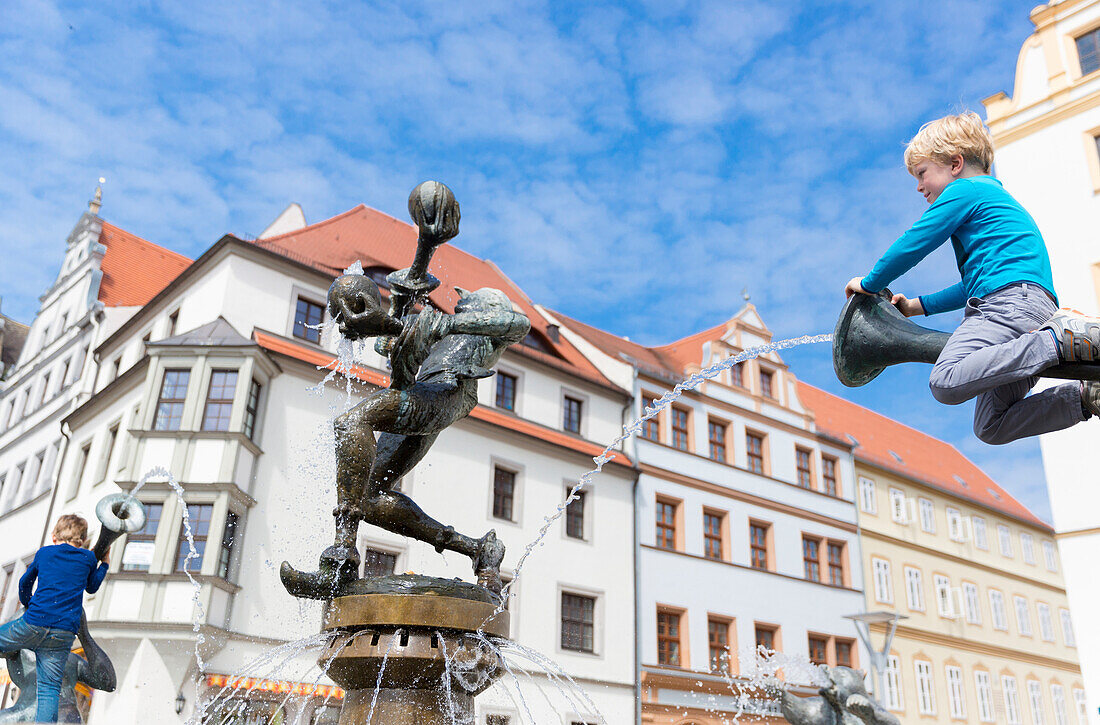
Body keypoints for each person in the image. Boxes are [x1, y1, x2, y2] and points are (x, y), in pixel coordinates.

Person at [845, 111, 1100, 445]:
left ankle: (1057, 341)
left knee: (946, 379)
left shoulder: (966, 191)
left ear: (955, 164)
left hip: (1009, 304)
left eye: (922, 173)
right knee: (990, 427)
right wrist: (917, 306)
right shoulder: (990, 201)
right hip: (1024, 303)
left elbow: (915, 242)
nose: (919, 186)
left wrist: (870, 283)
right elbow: (974, 284)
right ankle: (1087, 396)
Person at [0, 514, 108, 722]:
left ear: (54, 536)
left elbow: (24, 582)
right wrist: (104, 563)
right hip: (63, 633)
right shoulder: (87, 559)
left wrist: (28, 602)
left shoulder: (45, 553)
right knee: (49, 689)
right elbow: (92, 586)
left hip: (33, 622)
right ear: (83, 540)